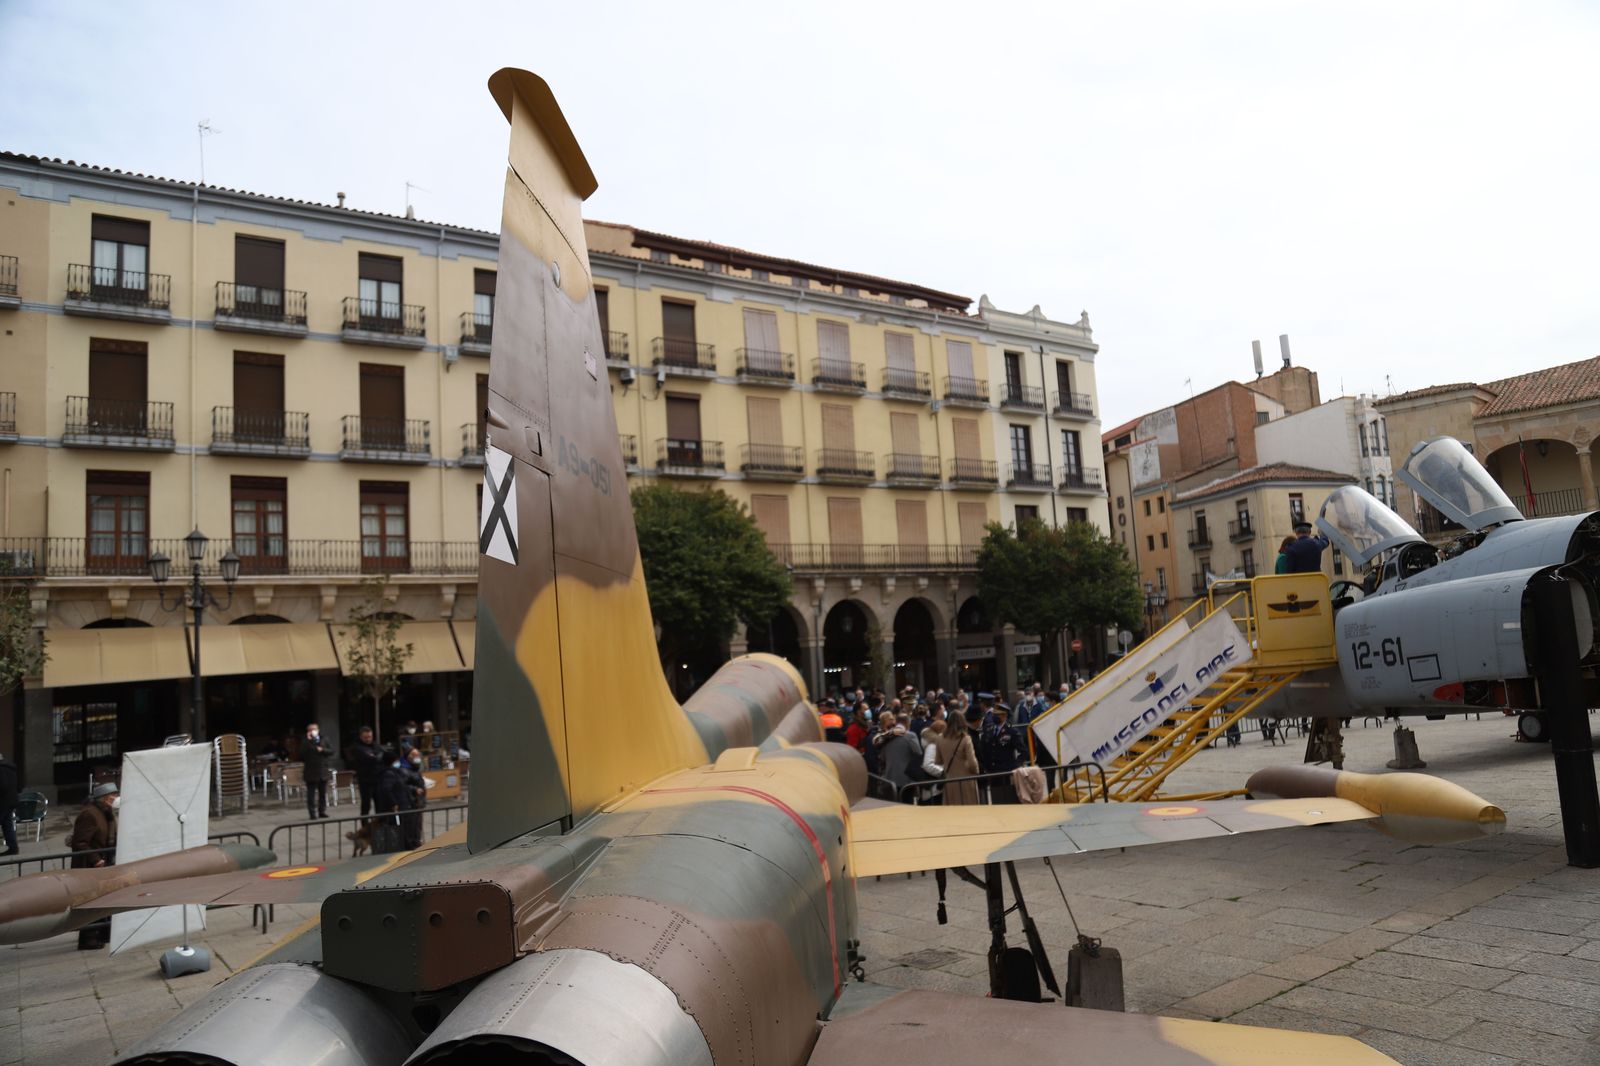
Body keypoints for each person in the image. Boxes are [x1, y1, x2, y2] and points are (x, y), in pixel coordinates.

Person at [70, 782, 119, 949]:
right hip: (90, 866)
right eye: (112, 795)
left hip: (104, 862)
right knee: (92, 902)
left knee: (105, 900)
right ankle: (89, 938)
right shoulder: (89, 814)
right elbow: (80, 842)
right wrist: (96, 859)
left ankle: (102, 934)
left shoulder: (106, 812)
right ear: (103, 798)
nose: (114, 798)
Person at [981, 704, 1028, 804]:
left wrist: (1015, 766)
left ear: (1004, 716)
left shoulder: (1011, 732)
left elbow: (1024, 752)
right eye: (994, 714)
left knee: (1008, 800)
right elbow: (984, 749)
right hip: (993, 773)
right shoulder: (988, 729)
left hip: (1006, 773)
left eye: (997, 715)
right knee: (996, 800)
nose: (994, 717)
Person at [933, 711, 980, 806]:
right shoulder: (965, 739)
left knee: (952, 812)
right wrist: (976, 771)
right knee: (969, 811)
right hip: (966, 780)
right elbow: (972, 763)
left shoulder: (940, 738)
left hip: (949, 781)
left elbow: (938, 760)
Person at [374, 750, 414, 853]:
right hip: (397, 807)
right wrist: (393, 803)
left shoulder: (394, 772)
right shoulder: (389, 774)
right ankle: (403, 846)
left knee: (403, 829)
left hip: (402, 805)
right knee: (399, 829)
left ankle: (406, 845)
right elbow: (386, 789)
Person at [878, 713, 924, 800]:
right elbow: (919, 753)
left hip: (889, 779)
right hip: (906, 780)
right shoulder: (910, 735)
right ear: (907, 723)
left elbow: (882, 757)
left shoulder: (886, 736)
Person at [348, 726, 385, 817]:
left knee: (379, 803)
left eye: (370, 737)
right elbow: (369, 758)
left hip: (377, 778)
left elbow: (381, 754)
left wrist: (376, 756)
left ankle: (379, 824)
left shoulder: (375, 745)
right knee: (366, 804)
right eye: (366, 737)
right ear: (361, 737)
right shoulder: (357, 747)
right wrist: (375, 757)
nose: (368, 739)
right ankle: (365, 825)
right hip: (365, 779)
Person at [301, 722, 331, 820]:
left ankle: (322, 811)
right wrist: (310, 741)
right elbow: (302, 754)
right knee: (311, 794)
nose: (312, 731)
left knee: (323, 793)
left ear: (318, 730)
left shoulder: (324, 739)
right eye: (310, 730)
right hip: (311, 771)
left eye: (314, 729)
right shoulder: (305, 741)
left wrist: (322, 750)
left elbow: (331, 751)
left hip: (323, 770)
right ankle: (312, 813)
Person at [0, 753, 17, 856]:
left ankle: (13, 847)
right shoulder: (10, 767)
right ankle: (13, 847)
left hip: (2, 801)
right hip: (11, 800)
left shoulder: (1, 769)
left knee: (7, 824)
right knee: (7, 824)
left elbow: (3, 785)